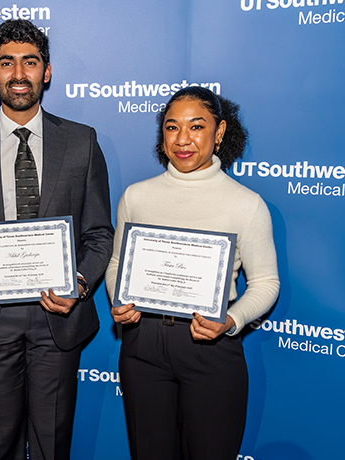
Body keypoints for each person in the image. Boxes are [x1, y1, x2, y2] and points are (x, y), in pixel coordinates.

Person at [0, 19, 114, 460]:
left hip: (58, 316)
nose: (19, 73)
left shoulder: (81, 141)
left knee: (55, 446)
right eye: (6, 63)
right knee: (1, 446)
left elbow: (98, 233)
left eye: (30, 62)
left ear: (46, 72)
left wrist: (80, 283)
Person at [105, 87, 280, 460]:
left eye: (196, 126)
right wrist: (118, 300)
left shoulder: (246, 205)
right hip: (142, 347)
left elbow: (266, 283)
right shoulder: (136, 196)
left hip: (211, 348)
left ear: (219, 133)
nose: (182, 139)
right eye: (172, 127)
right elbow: (118, 263)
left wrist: (231, 319)